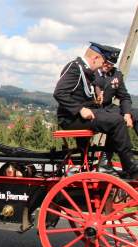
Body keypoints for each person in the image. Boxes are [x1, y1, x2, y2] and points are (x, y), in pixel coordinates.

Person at [53, 42, 138, 179]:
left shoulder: (86, 70)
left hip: (86, 113)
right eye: (103, 61)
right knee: (116, 121)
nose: (102, 66)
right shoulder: (75, 68)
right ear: (95, 58)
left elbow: (84, 94)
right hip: (70, 118)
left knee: (127, 114)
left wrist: (95, 100)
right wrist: (80, 109)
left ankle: (111, 163)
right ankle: (131, 168)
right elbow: (59, 93)